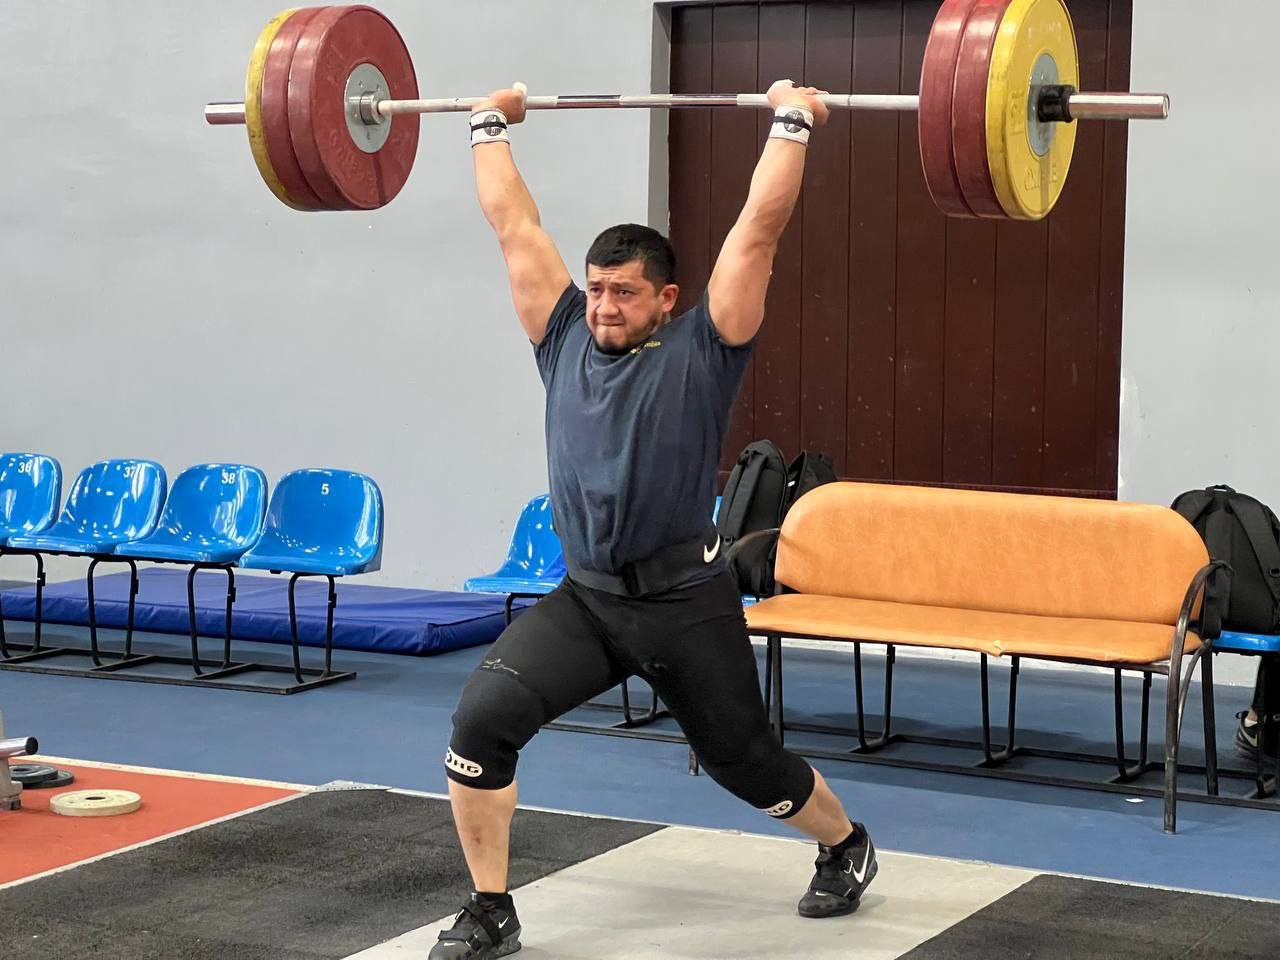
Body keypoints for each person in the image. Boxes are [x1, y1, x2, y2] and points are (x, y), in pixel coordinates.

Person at [431, 79, 876, 960]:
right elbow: (514, 225)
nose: (604, 306)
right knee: (480, 724)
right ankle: (490, 909)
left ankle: (843, 843)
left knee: (746, 765)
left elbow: (757, 232)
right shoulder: (561, 334)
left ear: (666, 299)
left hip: (683, 603)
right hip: (588, 600)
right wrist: (487, 124)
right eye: (598, 289)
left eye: (626, 293)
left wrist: (791, 122)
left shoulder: (705, 348)